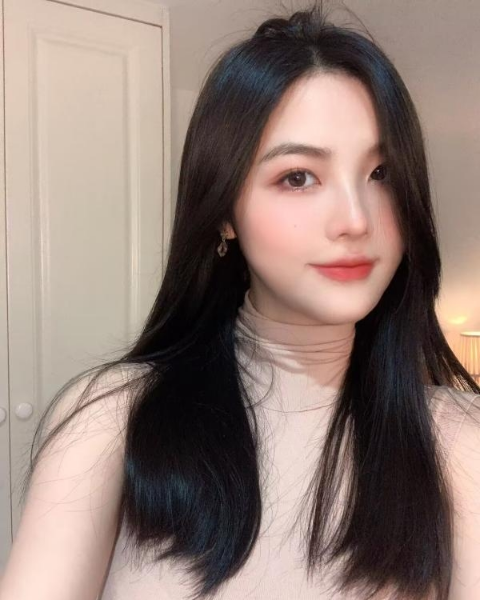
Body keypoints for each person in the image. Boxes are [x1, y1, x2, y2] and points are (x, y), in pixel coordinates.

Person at [1, 2, 479, 599]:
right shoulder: (112, 419)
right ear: (224, 212)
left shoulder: (458, 440)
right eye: (298, 177)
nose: (356, 220)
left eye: (381, 174)